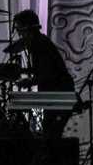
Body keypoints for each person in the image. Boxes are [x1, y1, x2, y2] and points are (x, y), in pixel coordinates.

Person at [6, 10, 74, 139]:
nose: (19, 34)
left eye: (20, 30)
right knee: (21, 104)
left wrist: (28, 81)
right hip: (57, 93)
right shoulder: (40, 42)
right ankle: (34, 139)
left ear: (27, 30)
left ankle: (32, 142)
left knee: (17, 102)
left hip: (60, 96)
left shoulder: (40, 45)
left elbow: (47, 75)